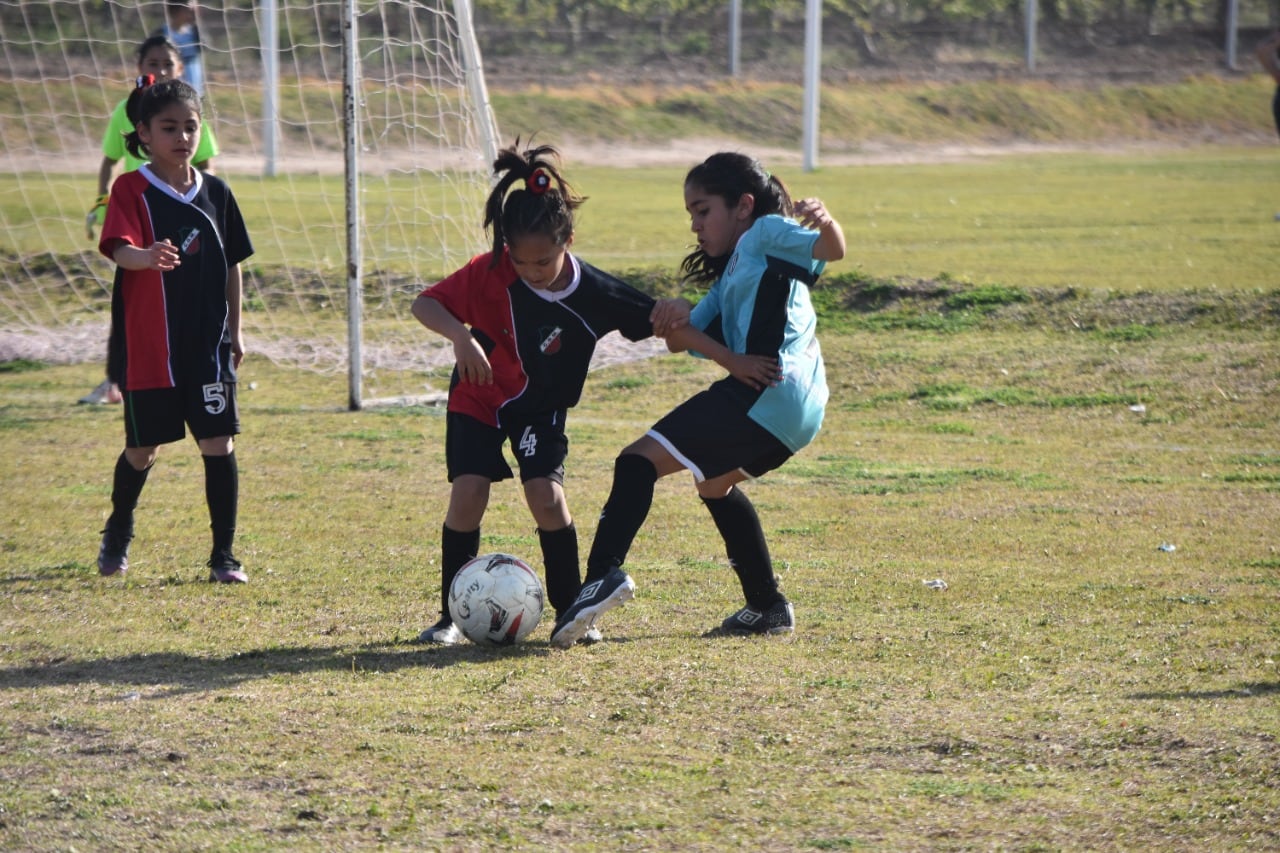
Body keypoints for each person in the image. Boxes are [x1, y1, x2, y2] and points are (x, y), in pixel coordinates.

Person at [550, 151, 846, 649]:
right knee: (714, 487)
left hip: (768, 390)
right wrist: (677, 314)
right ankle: (767, 605)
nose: (695, 224)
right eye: (690, 214)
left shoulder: (764, 233)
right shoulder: (734, 273)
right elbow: (680, 337)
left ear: (744, 206)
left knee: (636, 462)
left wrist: (826, 221)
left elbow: (831, 250)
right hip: (797, 410)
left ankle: (601, 576)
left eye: (703, 210)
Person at [410, 140, 688, 645]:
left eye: (544, 262)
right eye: (522, 262)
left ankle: (571, 608)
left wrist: (683, 311)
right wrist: (461, 336)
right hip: (478, 395)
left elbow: (659, 322)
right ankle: (450, 615)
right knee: (468, 494)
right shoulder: (489, 271)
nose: (533, 272)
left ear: (569, 241)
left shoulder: (594, 293)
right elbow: (426, 305)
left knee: (546, 497)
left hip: (540, 408)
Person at [94, 78, 253, 583]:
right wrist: (144, 257)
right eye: (169, 128)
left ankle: (223, 556)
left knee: (218, 443)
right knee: (143, 450)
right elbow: (119, 249)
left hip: (207, 344)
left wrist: (238, 331)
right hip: (151, 349)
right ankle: (119, 528)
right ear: (143, 133)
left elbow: (232, 265)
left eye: (190, 126)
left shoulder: (218, 192)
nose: (182, 137)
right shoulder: (131, 189)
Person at [82, 35, 220, 405]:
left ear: (179, 70)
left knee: (188, 297)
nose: (158, 70)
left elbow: (206, 165)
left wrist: (210, 208)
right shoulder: (124, 114)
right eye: (152, 63)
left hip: (182, 215)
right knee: (134, 301)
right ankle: (117, 379)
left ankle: (192, 372)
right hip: (137, 220)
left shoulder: (187, 113)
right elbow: (110, 161)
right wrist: (102, 202)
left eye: (166, 64)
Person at [156, 1, 204, 96]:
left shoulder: (194, 32)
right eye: (189, 10)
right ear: (177, 11)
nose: (192, 13)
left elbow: (205, 45)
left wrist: (197, 22)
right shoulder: (162, 32)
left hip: (193, 79)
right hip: (171, 81)